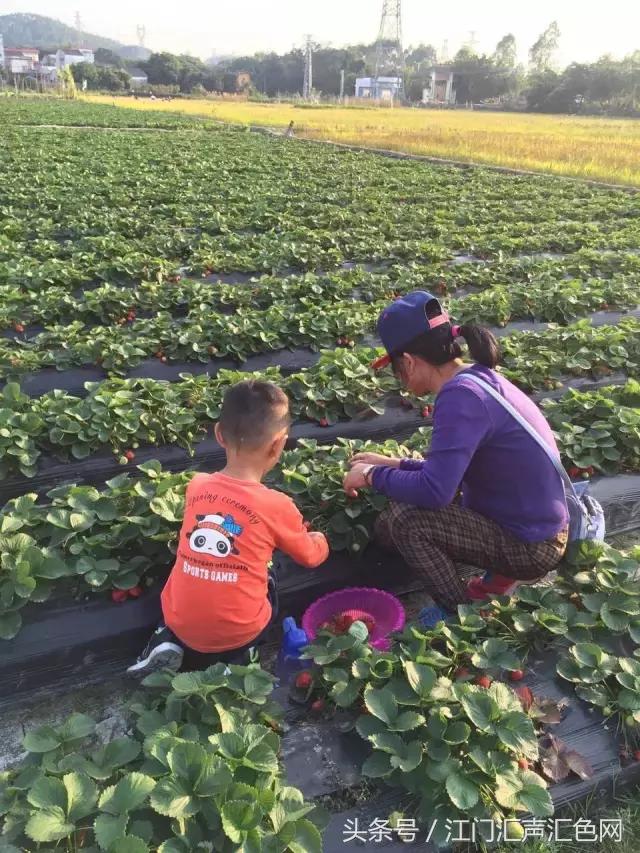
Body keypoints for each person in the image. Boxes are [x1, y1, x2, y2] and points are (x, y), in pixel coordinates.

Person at [343, 290, 568, 623]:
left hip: (533, 545)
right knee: (410, 506)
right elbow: (449, 471)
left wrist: (371, 476)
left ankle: (463, 613)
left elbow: (436, 491)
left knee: (408, 521)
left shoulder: (461, 397)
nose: (399, 379)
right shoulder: (476, 379)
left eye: (396, 370)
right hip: (537, 524)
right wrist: (393, 464)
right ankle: (499, 578)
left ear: (408, 361)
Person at [128, 380, 329, 676]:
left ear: (219, 435)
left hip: (179, 620)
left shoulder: (197, 486)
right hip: (238, 629)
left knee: (184, 571)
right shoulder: (277, 504)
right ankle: (239, 661)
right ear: (279, 444)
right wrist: (319, 539)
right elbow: (310, 557)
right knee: (268, 573)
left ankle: (164, 641)